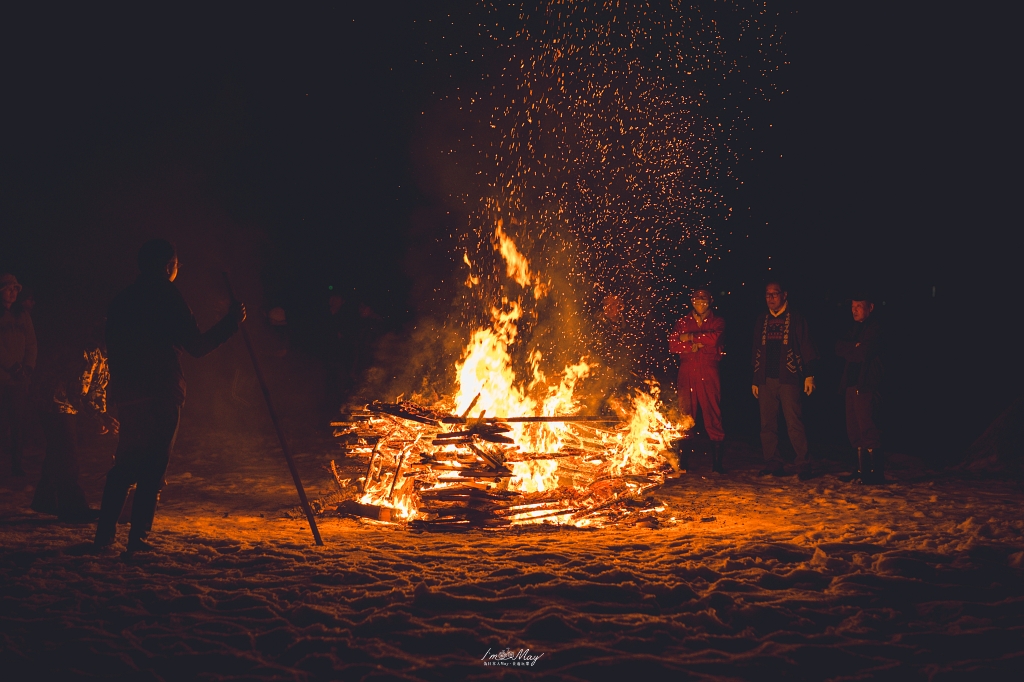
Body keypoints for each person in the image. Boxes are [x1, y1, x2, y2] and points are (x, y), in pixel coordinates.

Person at [94, 240, 245, 553]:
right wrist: (231, 324)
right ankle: (139, 539)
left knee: (124, 464)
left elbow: (113, 347)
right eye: (177, 263)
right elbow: (197, 346)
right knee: (152, 468)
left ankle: (104, 536)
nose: (179, 269)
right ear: (167, 266)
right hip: (161, 391)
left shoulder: (123, 299)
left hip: (130, 393)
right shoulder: (167, 295)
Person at [31, 324, 119, 521]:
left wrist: (101, 414)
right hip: (52, 401)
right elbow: (76, 392)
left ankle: (46, 499)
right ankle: (72, 508)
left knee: (58, 451)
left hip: (62, 402)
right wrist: (98, 417)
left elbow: (97, 388)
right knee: (67, 453)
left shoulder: (104, 357)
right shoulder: (88, 353)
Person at [752, 281, 818, 479]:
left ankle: (803, 464)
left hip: (788, 377)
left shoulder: (795, 318)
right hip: (766, 379)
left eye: (775, 294)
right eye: (767, 295)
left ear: (784, 295)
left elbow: (806, 346)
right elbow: (756, 349)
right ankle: (773, 462)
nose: (771, 298)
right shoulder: (762, 319)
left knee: (794, 422)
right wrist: (756, 378)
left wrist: (809, 375)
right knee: (767, 424)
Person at [668, 289, 726, 472]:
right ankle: (683, 463)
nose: (700, 301)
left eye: (704, 297)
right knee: (686, 414)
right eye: (697, 298)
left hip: (709, 370)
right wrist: (693, 345)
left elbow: (715, 339)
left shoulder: (718, 321)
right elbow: (673, 344)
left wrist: (690, 337)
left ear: (710, 300)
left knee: (712, 412)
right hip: (687, 371)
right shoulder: (683, 321)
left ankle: (717, 465)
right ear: (691, 300)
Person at [836, 294, 884, 483]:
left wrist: (855, 348)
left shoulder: (876, 327)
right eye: (853, 306)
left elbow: (864, 352)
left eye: (858, 306)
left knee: (868, 427)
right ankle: (861, 469)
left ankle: (875, 473)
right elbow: (838, 347)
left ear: (870, 307)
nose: (854, 310)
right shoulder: (855, 328)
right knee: (854, 428)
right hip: (852, 383)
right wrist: (853, 347)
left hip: (867, 384)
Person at [0, 273, 36, 476]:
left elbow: (31, 343)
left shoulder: (22, 315)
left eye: (16, 289)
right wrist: (11, 365)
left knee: (18, 423)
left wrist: (28, 366)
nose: (13, 292)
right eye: (9, 288)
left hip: (18, 379)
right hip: (2, 377)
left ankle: (16, 464)